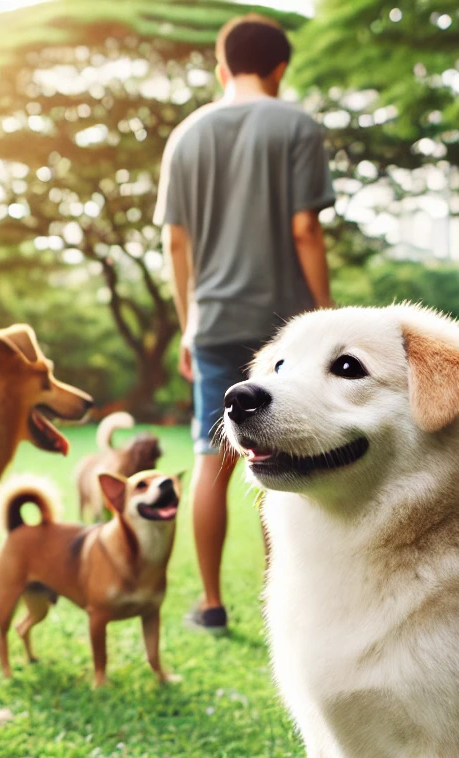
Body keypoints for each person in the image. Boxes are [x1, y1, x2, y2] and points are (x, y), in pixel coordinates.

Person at [155, 14, 335, 634]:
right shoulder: (297, 126)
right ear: (280, 67)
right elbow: (305, 229)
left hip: (211, 322)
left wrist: (188, 324)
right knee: (278, 457)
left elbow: (176, 244)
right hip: (280, 327)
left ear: (221, 64)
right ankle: (279, 602)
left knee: (211, 461)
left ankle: (210, 604)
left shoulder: (186, 135)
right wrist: (325, 316)